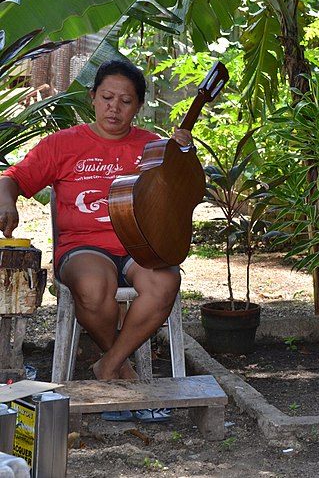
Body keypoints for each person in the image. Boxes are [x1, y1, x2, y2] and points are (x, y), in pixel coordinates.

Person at [0, 60, 193, 381]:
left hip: (139, 247)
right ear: (92, 97)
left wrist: (183, 157)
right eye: (106, 98)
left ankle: (109, 364)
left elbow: (182, 194)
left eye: (126, 101)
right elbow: (13, 177)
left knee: (165, 282)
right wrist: (7, 201)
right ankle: (122, 366)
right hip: (82, 247)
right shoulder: (62, 144)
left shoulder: (153, 147)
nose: (114, 108)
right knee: (93, 285)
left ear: (139, 106)